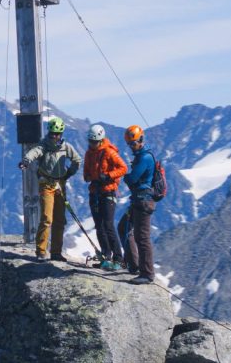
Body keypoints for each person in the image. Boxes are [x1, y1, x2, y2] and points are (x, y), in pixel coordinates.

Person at [19, 116, 82, 262]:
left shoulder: (66, 147)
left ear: (61, 134)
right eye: (52, 133)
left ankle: (56, 252)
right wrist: (26, 161)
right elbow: (34, 152)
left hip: (60, 186)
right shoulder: (44, 145)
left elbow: (77, 160)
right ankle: (41, 251)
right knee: (47, 218)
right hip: (46, 185)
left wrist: (68, 174)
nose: (54, 136)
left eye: (57, 134)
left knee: (60, 220)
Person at [82, 124, 128, 271]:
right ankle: (106, 256)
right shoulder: (89, 153)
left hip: (108, 192)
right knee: (99, 226)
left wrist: (108, 176)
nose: (92, 144)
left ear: (101, 140)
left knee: (108, 225)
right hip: (95, 192)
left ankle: (118, 258)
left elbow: (123, 168)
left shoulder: (109, 152)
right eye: (90, 142)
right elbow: (86, 173)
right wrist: (90, 177)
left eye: (94, 142)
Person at [121, 124, 157, 285]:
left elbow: (132, 178)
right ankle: (134, 265)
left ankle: (147, 274)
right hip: (138, 200)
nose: (132, 147)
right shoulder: (142, 157)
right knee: (124, 228)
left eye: (133, 143)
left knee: (142, 237)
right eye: (129, 144)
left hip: (143, 201)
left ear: (141, 139)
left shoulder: (144, 158)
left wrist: (127, 177)